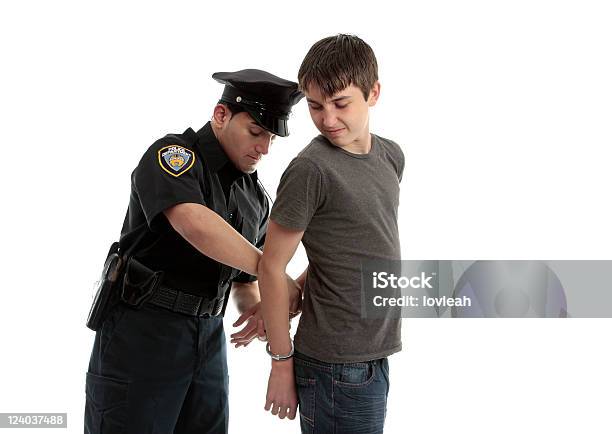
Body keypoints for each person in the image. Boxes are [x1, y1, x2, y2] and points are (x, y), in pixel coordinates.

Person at [84, 69, 304, 434]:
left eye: (270, 138)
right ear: (221, 116)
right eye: (255, 132)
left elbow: (244, 280)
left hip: (208, 337)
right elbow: (193, 223)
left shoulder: (254, 197)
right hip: (144, 332)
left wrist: (261, 308)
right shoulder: (173, 156)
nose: (263, 148)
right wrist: (275, 274)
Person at [258, 35, 405, 433]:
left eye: (340, 103)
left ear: (373, 92)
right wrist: (281, 363)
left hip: (376, 352)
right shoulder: (311, 170)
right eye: (315, 105)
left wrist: (296, 296)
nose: (327, 118)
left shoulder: (391, 155)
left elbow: (349, 248)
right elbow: (271, 267)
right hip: (333, 365)